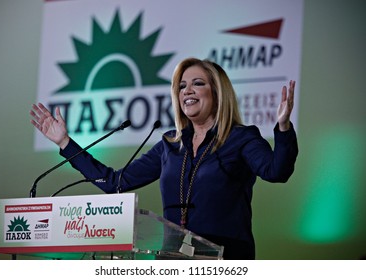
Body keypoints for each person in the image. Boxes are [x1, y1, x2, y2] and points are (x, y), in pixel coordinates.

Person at [30, 57, 298, 259]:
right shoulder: (170, 145)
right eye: (182, 86)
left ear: (218, 93)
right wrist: (65, 143)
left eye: (197, 84)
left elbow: (277, 171)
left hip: (226, 257)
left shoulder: (241, 138)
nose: (187, 91)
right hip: (173, 257)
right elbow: (115, 183)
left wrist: (284, 128)